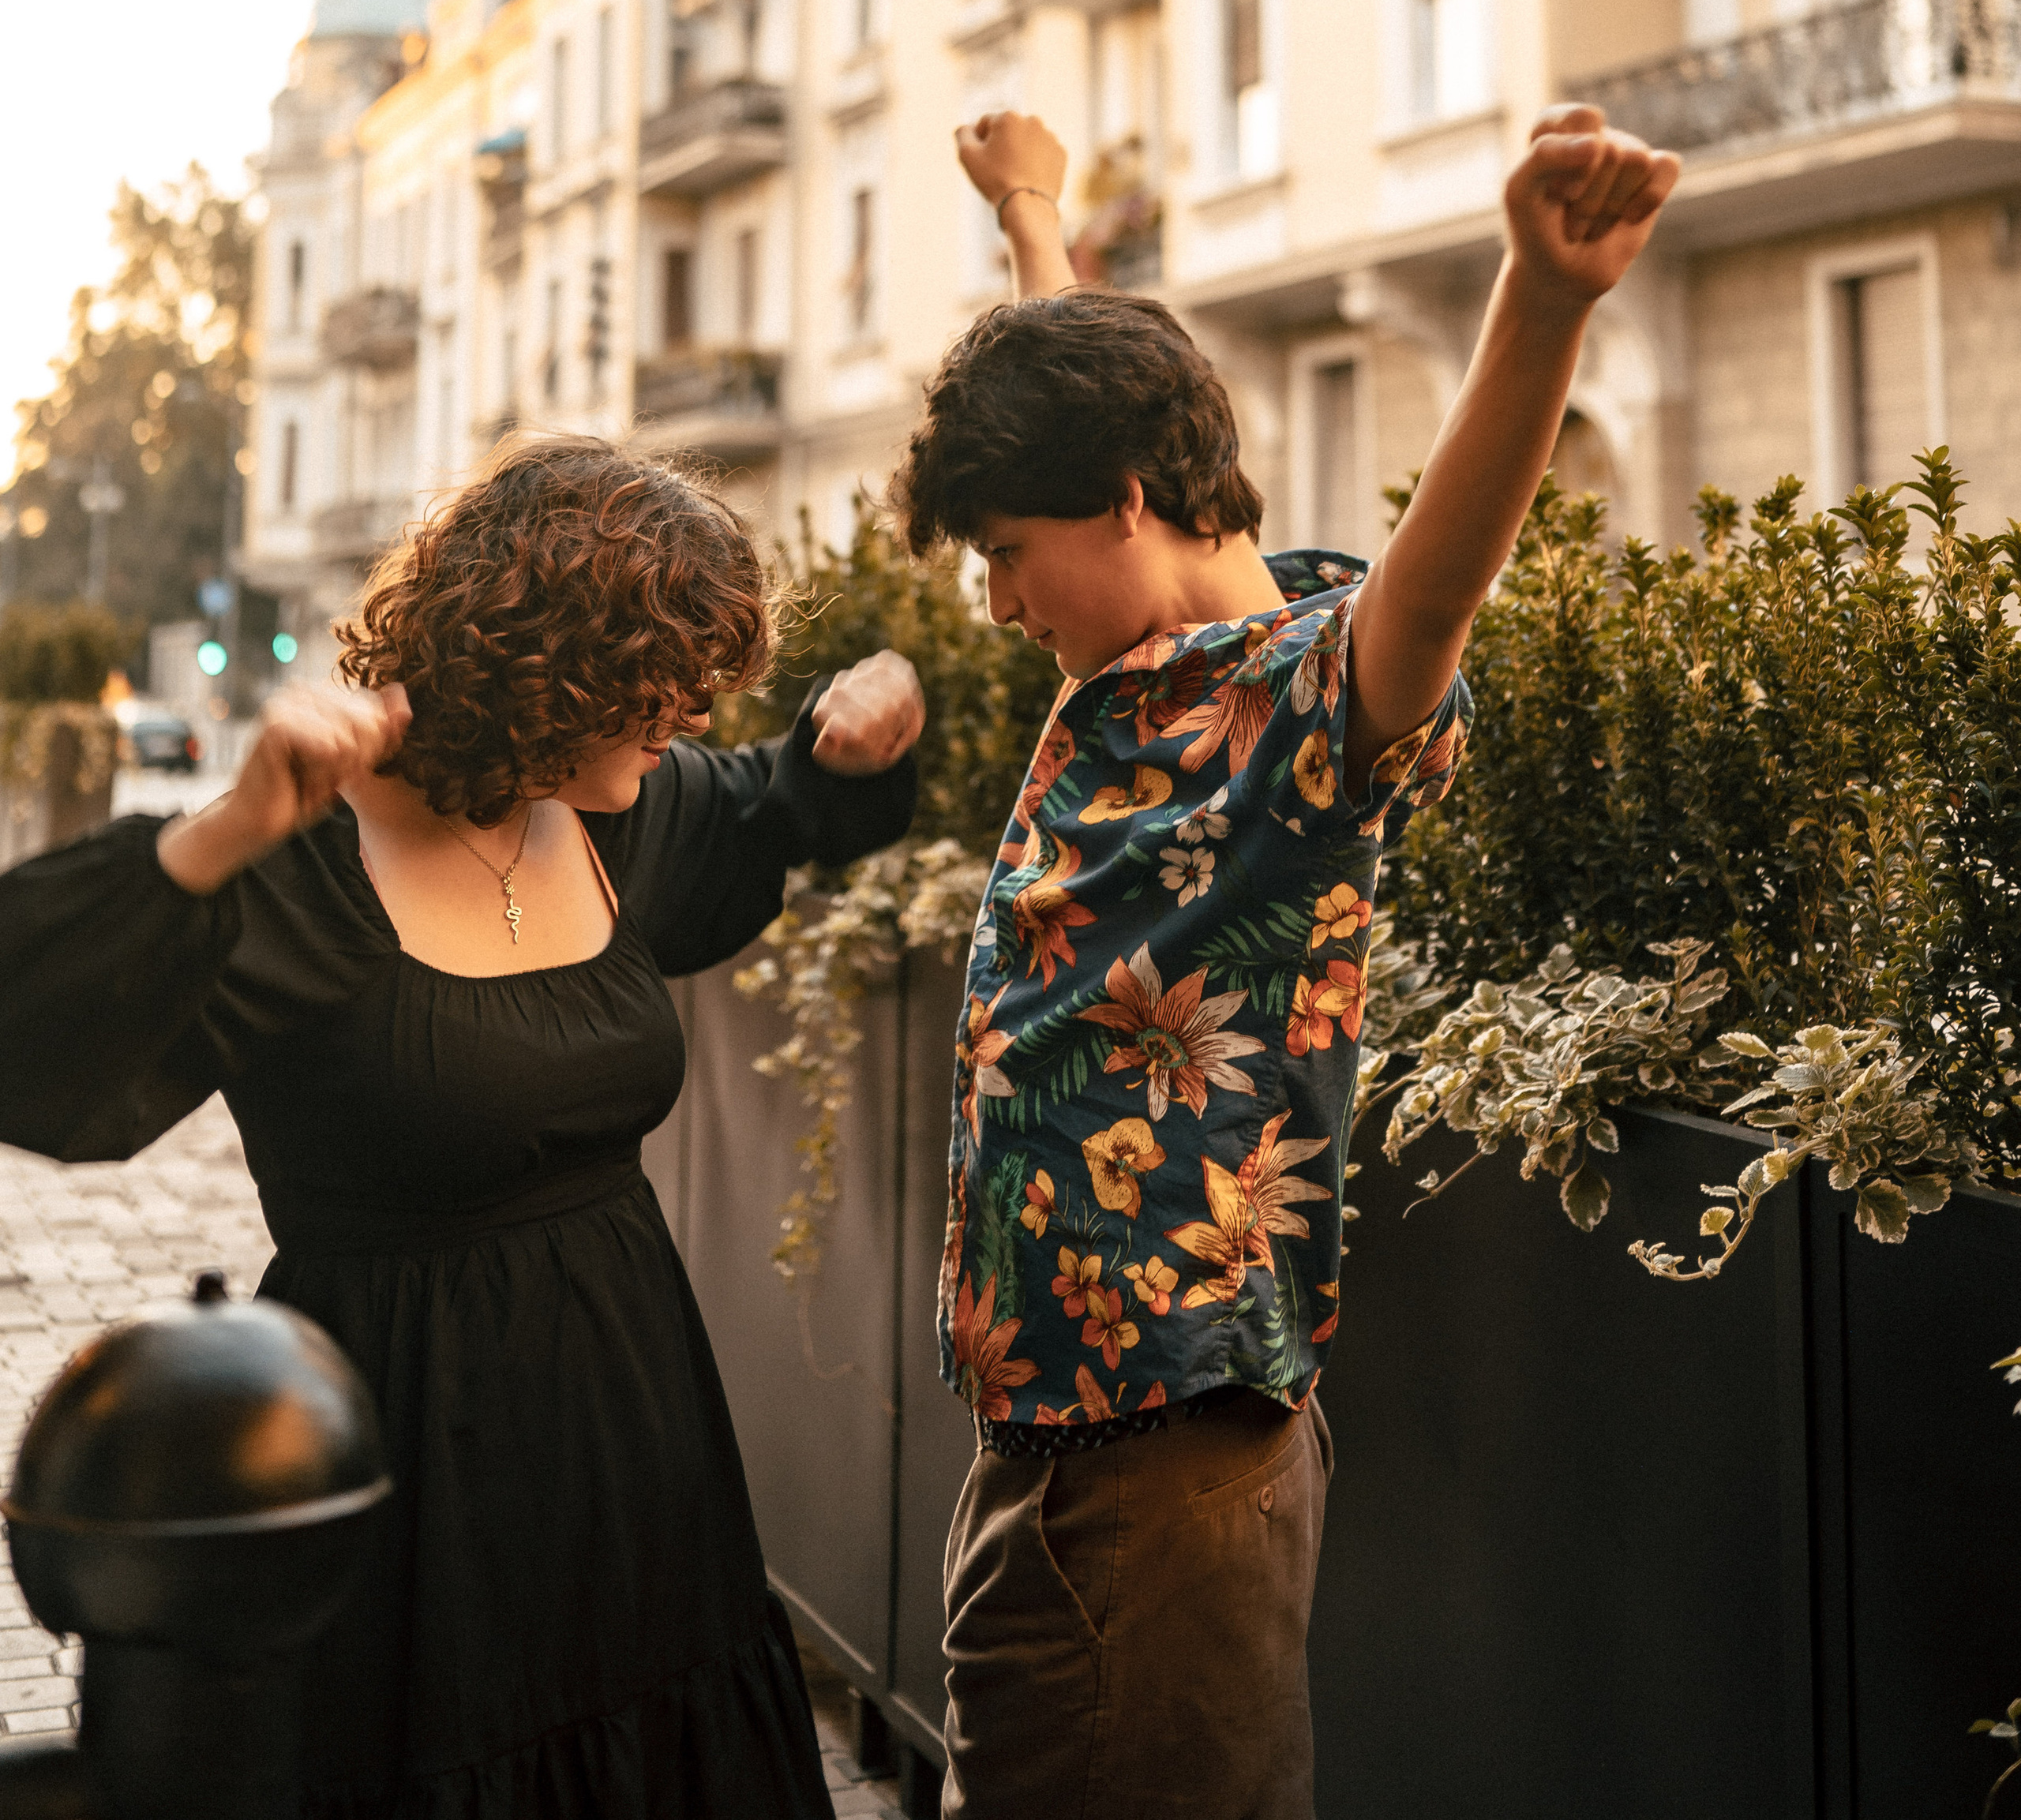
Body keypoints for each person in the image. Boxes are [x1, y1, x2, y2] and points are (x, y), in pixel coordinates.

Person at [894, 102, 1679, 1820]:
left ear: (1111, 510)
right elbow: (1084, 396)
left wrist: (1536, 304)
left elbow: (1438, 577)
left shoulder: (1298, 713)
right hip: (1059, 1435)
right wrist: (1033, 212)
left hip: (1158, 1455)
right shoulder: (1138, 670)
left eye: (1002, 558)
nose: (998, 602)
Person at [0, 433, 926, 1818]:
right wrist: (219, 831)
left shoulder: (616, 814)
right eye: (659, 679)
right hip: (409, 1468)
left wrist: (860, 735)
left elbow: (778, 806)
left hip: (637, 1449)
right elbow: (33, 1029)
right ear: (555, 661)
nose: (687, 713)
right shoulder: (300, 860)